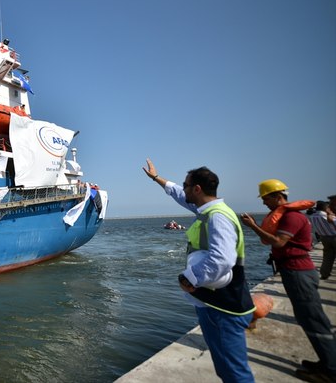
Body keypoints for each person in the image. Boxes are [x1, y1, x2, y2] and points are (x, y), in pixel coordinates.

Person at [143, 159, 255, 383]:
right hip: (213, 301)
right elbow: (175, 192)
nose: (183, 190)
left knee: (234, 371)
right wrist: (157, 178)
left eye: (186, 186)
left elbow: (222, 259)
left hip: (223, 307)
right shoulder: (208, 210)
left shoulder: (217, 216)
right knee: (225, 369)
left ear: (197, 189)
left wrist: (189, 278)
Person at [240, 179, 336, 383]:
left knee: (313, 319)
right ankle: (326, 361)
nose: (264, 203)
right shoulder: (289, 216)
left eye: (266, 199)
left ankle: (330, 370)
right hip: (294, 271)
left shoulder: (291, 217)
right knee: (307, 317)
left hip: (299, 272)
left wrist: (253, 226)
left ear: (277, 196)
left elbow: (278, 241)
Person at [309, 201, 336, 280]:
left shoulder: (312, 216)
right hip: (334, 236)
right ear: (326, 208)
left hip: (324, 238)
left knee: (327, 257)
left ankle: (324, 273)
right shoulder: (326, 216)